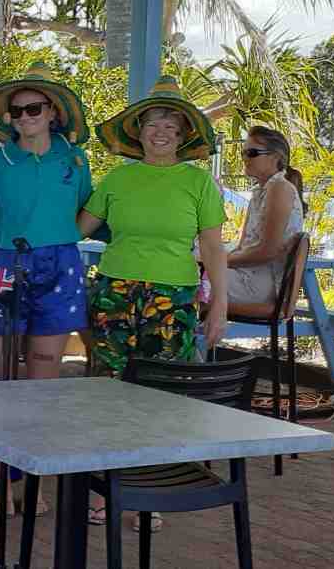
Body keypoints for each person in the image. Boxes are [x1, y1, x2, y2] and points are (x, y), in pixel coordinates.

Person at [78, 75, 227, 531]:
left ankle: (147, 493)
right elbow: (77, 229)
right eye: (152, 124)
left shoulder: (197, 183)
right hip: (115, 292)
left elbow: (213, 246)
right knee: (107, 390)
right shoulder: (117, 178)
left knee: (161, 396)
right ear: (138, 131)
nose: (160, 132)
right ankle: (103, 489)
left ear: (183, 136)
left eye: (171, 126)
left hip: (173, 297)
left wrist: (219, 302)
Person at [0, 63, 93, 516]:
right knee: (1, 375)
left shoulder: (75, 160)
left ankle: (35, 486)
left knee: (44, 375)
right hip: (3, 266)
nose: (24, 118)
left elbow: (84, 210)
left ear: (53, 111)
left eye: (33, 108)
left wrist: (60, 240)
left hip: (59, 265)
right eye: (16, 112)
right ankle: (3, 480)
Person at [226, 125, 304, 309]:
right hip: (249, 275)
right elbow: (243, 246)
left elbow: (268, 251)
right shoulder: (261, 192)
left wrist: (219, 261)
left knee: (183, 283)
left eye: (252, 153)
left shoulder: (280, 189)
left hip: (260, 284)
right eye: (243, 153)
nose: (245, 158)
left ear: (276, 157)